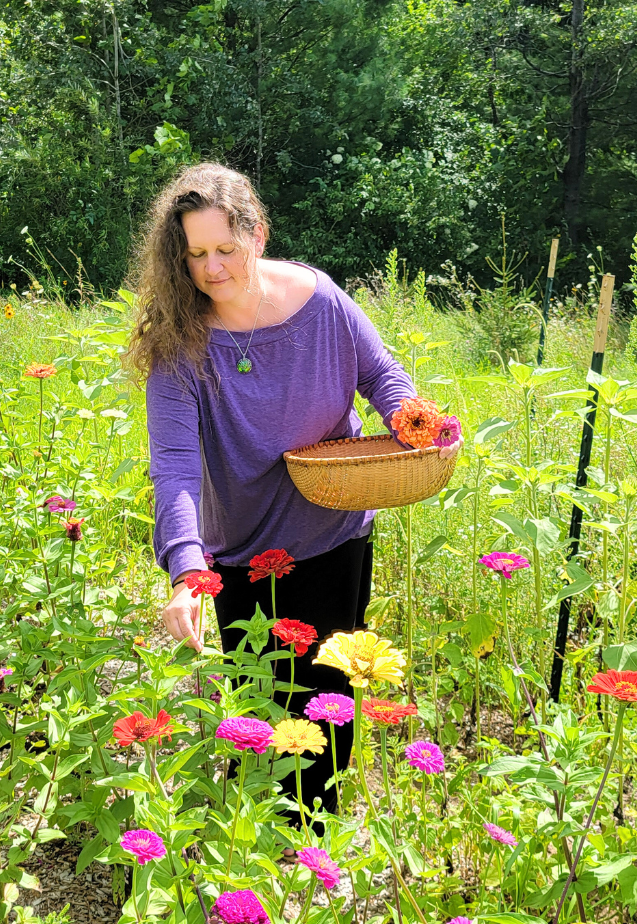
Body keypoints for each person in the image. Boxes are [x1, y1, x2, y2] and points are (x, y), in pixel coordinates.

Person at [127, 162, 457, 825]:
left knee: (326, 699)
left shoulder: (321, 301)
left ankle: (316, 844)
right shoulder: (179, 346)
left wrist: (409, 419)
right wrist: (188, 568)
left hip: (334, 531)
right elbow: (174, 464)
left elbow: (381, 374)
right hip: (243, 551)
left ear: (258, 234)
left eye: (226, 248)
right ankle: (259, 846)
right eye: (195, 255)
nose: (213, 268)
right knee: (261, 707)